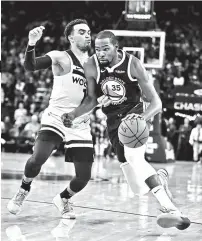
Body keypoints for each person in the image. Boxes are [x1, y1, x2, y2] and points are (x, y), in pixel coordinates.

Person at [61, 30, 191, 229]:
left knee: (135, 158)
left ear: (116, 48)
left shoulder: (133, 64)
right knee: (138, 189)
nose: (101, 53)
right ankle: (160, 178)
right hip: (114, 124)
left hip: (134, 119)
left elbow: (156, 103)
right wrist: (73, 114)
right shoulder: (91, 65)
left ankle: (172, 210)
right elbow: (91, 99)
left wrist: (142, 118)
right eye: (98, 49)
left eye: (106, 49)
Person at [7, 19, 94, 219]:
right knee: (38, 158)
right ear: (71, 37)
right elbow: (31, 66)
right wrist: (31, 43)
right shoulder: (60, 57)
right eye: (82, 32)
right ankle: (23, 189)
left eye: (89, 32)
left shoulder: (95, 64)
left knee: (84, 177)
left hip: (79, 122)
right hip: (56, 117)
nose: (87, 35)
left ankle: (63, 198)